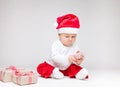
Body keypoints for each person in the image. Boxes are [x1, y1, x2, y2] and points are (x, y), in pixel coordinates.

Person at [37, 14, 88, 80]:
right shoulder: (56, 44)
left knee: (74, 67)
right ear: (59, 35)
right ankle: (53, 72)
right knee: (42, 67)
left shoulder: (75, 46)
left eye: (73, 36)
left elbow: (74, 60)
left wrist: (78, 60)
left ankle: (80, 73)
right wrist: (68, 58)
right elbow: (55, 57)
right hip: (54, 65)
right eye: (67, 36)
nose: (70, 39)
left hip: (67, 67)